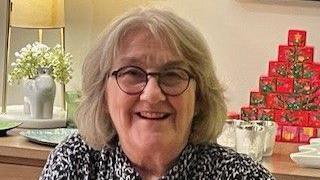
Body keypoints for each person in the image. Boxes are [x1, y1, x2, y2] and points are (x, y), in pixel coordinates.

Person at [40, 7, 274, 180]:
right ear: (103, 95)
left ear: (200, 97)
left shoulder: (243, 176)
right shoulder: (74, 163)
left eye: (173, 75)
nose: (152, 94)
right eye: (132, 73)